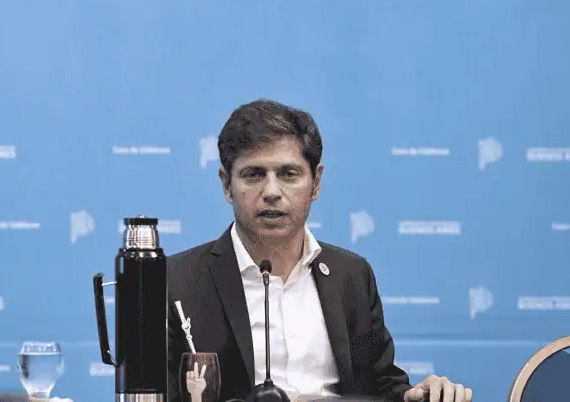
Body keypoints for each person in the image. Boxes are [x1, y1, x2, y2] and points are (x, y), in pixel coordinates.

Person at [166, 99, 474, 402]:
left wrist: (414, 396)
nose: (272, 192)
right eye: (254, 175)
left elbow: (381, 386)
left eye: (288, 174)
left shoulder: (351, 275)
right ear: (226, 185)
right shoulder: (176, 281)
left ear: (316, 183)